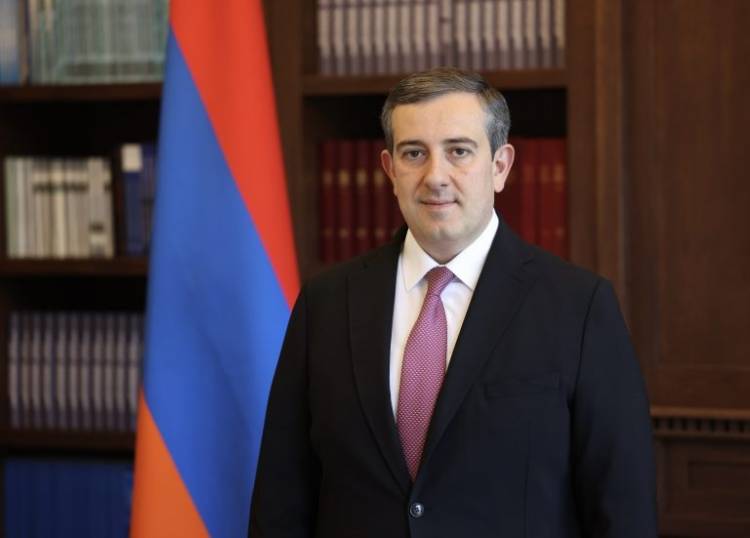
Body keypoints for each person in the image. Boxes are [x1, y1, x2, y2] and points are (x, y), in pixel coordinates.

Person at [249, 68, 657, 538]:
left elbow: (622, 510)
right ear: (390, 170)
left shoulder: (579, 308)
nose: (435, 177)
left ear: (500, 166)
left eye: (458, 151)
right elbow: (282, 498)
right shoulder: (324, 305)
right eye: (414, 153)